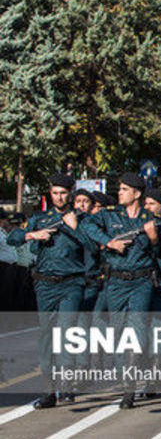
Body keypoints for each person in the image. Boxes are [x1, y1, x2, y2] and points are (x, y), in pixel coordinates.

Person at [5, 174, 87, 409]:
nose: (59, 197)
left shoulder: (80, 218)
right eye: (55, 193)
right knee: (47, 337)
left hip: (71, 283)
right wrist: (33, 235)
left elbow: (93, 246)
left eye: (63, 193)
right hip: (45, 284)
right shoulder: (41, 218)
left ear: (71, 193)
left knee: (67, 332)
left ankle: (68, 384)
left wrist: (75, 228)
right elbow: (13, 238)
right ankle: (49, 390)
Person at [81, 173, 161, 409]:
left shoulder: (149, 218)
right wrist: (109, 242)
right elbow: (87, 225)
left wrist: (153, 237)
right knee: (118, 332)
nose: (120, 192)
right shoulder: (109, 215)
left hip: (141, 282)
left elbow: (158, 252)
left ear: (137, 193)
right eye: (120, 188)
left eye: (125, 189)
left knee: (136, 331)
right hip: (115, 282)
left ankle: (129, 388)